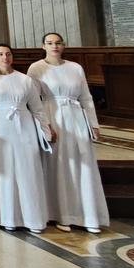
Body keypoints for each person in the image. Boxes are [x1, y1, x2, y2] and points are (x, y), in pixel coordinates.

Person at [28, 33, 109, 234]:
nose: (54, 46)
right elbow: (34, 100)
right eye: (50, 43)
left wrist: (93, 123)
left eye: (58, 43)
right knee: (59, 165)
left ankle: (88, 214)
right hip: (53, 115)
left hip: (76, 118)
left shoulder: (75, 68)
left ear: (64, 45)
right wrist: (44, 125)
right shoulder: (36, 68)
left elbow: (86, 98)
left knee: (84, 165)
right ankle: (61, 214)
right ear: (43, 46)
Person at [0, 43, 55, 233]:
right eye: (0, 54)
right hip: (0, 127)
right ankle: (5, 216)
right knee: (3, 171)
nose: (5, 57)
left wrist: (46, 130)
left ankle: (33, 217)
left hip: (24, 126)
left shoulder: (25, 80)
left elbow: (37, 108)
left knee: (28, 169)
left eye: (8, 54)